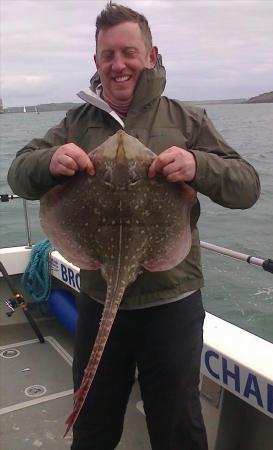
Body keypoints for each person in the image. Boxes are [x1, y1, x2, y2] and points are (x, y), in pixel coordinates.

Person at [8, 3, 260, 450]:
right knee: (94, 424)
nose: (118, 64)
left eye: (128, 52)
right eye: (108, 55)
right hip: (99, 296)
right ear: (97, 61)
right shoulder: (76, 122)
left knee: (178, 425)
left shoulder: (186, 120)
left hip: (172, 303)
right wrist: (49, 161)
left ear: (151, 54)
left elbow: (247, 187)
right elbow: (19, 174)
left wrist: (198, 165)